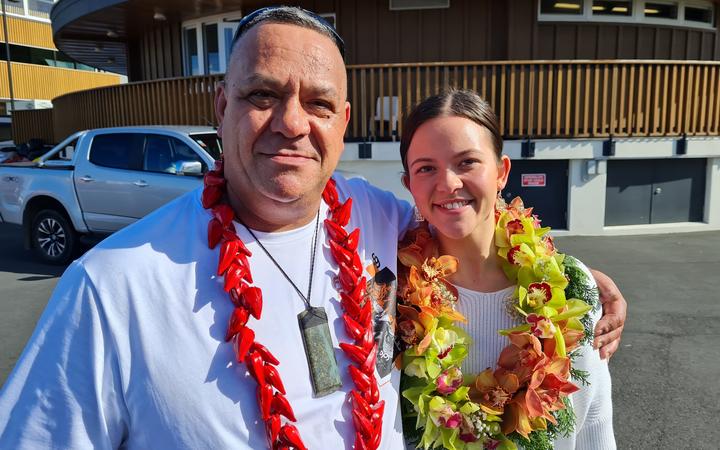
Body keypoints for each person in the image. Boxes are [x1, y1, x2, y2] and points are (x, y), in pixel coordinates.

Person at [0, 7, 624, 449]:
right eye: (264, 95)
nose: (293, 123)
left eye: (319, 103)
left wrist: (575, 279)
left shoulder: (380, 218)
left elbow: (467, 218)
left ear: (343, 120)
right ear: (221, 107)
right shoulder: (111, 288)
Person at [397, 90, 614, 449]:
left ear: (501, 172)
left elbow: (593, 419)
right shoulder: (394, 296)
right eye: (426, 168)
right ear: (409, 185)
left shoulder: (568, 284)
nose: (448, 183)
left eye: (467, 162)